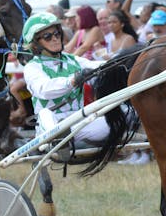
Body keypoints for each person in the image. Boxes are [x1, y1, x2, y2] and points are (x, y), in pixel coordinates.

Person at [21, 12, 108, 144]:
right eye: (47, 37)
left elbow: (98, 66)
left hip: (78, 122)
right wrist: (72, 81)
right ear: (35, 43)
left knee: (119, 116)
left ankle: (64, 141)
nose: (55, 39)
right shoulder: (32, 67)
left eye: (57, 34)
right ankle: (58, 140)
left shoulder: (73, 60)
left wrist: (125, 60)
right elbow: (44, 89)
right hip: (50, 124)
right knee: (45, 114)